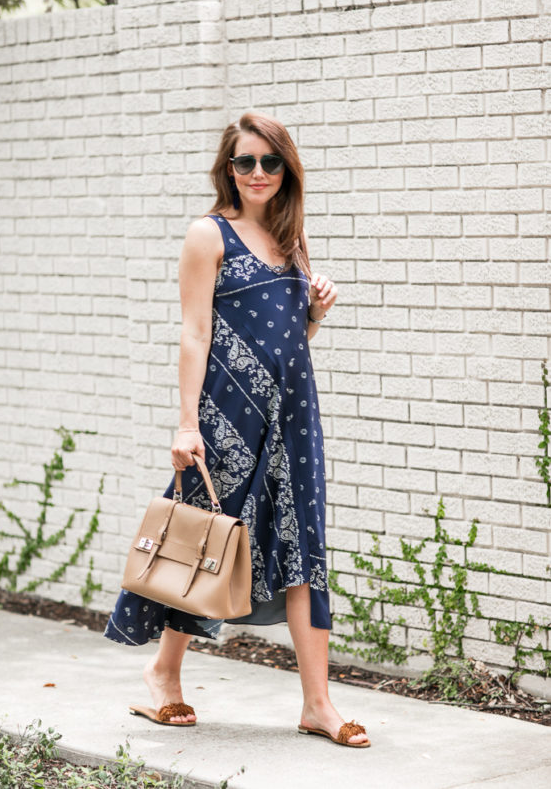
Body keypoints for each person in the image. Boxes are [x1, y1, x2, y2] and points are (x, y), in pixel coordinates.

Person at [104, 110, 370, 748]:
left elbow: (290, 343)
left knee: (306, 544)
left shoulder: (292, 238)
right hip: (225, 415)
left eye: (270, 162)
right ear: (229, 168)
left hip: (293, 416)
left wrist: (315, 313)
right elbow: (195, 332)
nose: (257, 173)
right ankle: (164, 672)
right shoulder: (208, 234)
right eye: (245, 161)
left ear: (287, 170)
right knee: (206, 542)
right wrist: (186, 424)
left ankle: (318, 705)